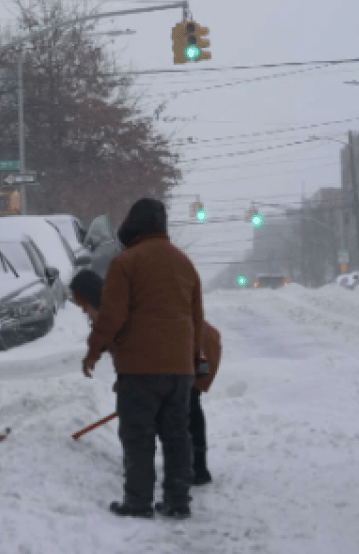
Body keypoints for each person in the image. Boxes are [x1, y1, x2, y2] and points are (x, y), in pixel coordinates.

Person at [82, 198, 205, 520]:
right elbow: (196, 318)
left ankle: (138, 502)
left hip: (140, 369)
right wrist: (195, 358)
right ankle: (178, 501)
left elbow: (112, 315)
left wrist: (94, 350)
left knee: (138, 437)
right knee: (177, 436)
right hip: (180, 369)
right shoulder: (184, 263)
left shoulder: (126, 263)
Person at [70, 269, 220, 487]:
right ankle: (188, 469)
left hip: (196, 347)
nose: (84, 311)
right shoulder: (114, 310)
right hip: (183, 348)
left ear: (93, 297)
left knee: (186, 406)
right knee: (178, 405)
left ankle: (194, 470)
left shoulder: (123, 309)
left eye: (84, 305)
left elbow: (144, 348)